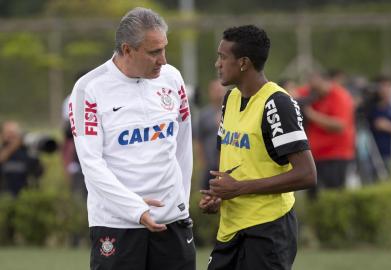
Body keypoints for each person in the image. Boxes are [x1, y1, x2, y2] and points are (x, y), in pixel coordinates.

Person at [68, 8, 195, 270]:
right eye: (153, 52)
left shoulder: (172, 78)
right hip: (117, 224)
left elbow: (183, 143)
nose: (163, 60)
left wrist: (181, 201)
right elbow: (91, 164)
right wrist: (135, 208)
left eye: (164, 49)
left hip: (172, 220)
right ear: (127, 50)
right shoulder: (88, 89)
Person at [199, 25, 317, 270]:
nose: (217, 64)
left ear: (243, 63)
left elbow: (307, 174)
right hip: (231, 227)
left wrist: (239, 188)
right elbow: (236, 162)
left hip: (268, 229)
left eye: (222, 57)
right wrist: (220, 195)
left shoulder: (277, 103)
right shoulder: (229, 98)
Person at [297, 72, 355, 198]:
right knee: (313, 196)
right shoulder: (313, 92)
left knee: (334, 194)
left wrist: (311, 115)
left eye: (317, 87)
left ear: (326, 82)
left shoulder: (339, 96)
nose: (314, 92)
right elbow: (293, 94)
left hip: (335, 154)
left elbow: (339, 126)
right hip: (315, 155)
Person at [367, 75, 391, 175]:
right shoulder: (372, 108)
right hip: (374, 154)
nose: (384, 90)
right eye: (381, 86)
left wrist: (388, 126)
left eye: (388, 86)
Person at [195, 79, 227, 189]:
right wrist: (202, 163)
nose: (218, 92)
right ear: (210, 92)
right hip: (210, 166)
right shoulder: (204, 114)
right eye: (215, 90)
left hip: (228, 166)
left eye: (220, 90)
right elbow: (199, 140)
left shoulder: (232, 111)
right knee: (207, 197)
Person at [0, 121, 43, 197]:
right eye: (8, 133)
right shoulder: (3, 150)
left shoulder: (26, 151)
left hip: (25, 195)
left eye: (13, 133)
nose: (11, 136)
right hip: (5, 197)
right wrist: (13, 145)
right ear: (2, 135)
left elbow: (39, 172)